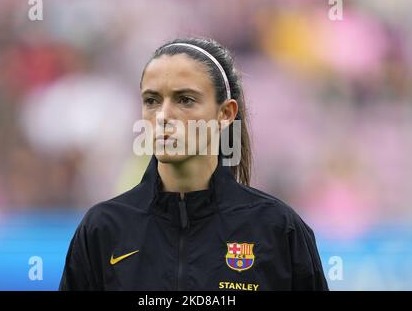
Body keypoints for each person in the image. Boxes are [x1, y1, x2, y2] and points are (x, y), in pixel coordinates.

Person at [59, 37, 329, 291]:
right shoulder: (103, 229)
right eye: (152, 100)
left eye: (185, 100)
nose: (163, 116)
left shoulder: (278, 229)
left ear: (225, 114)